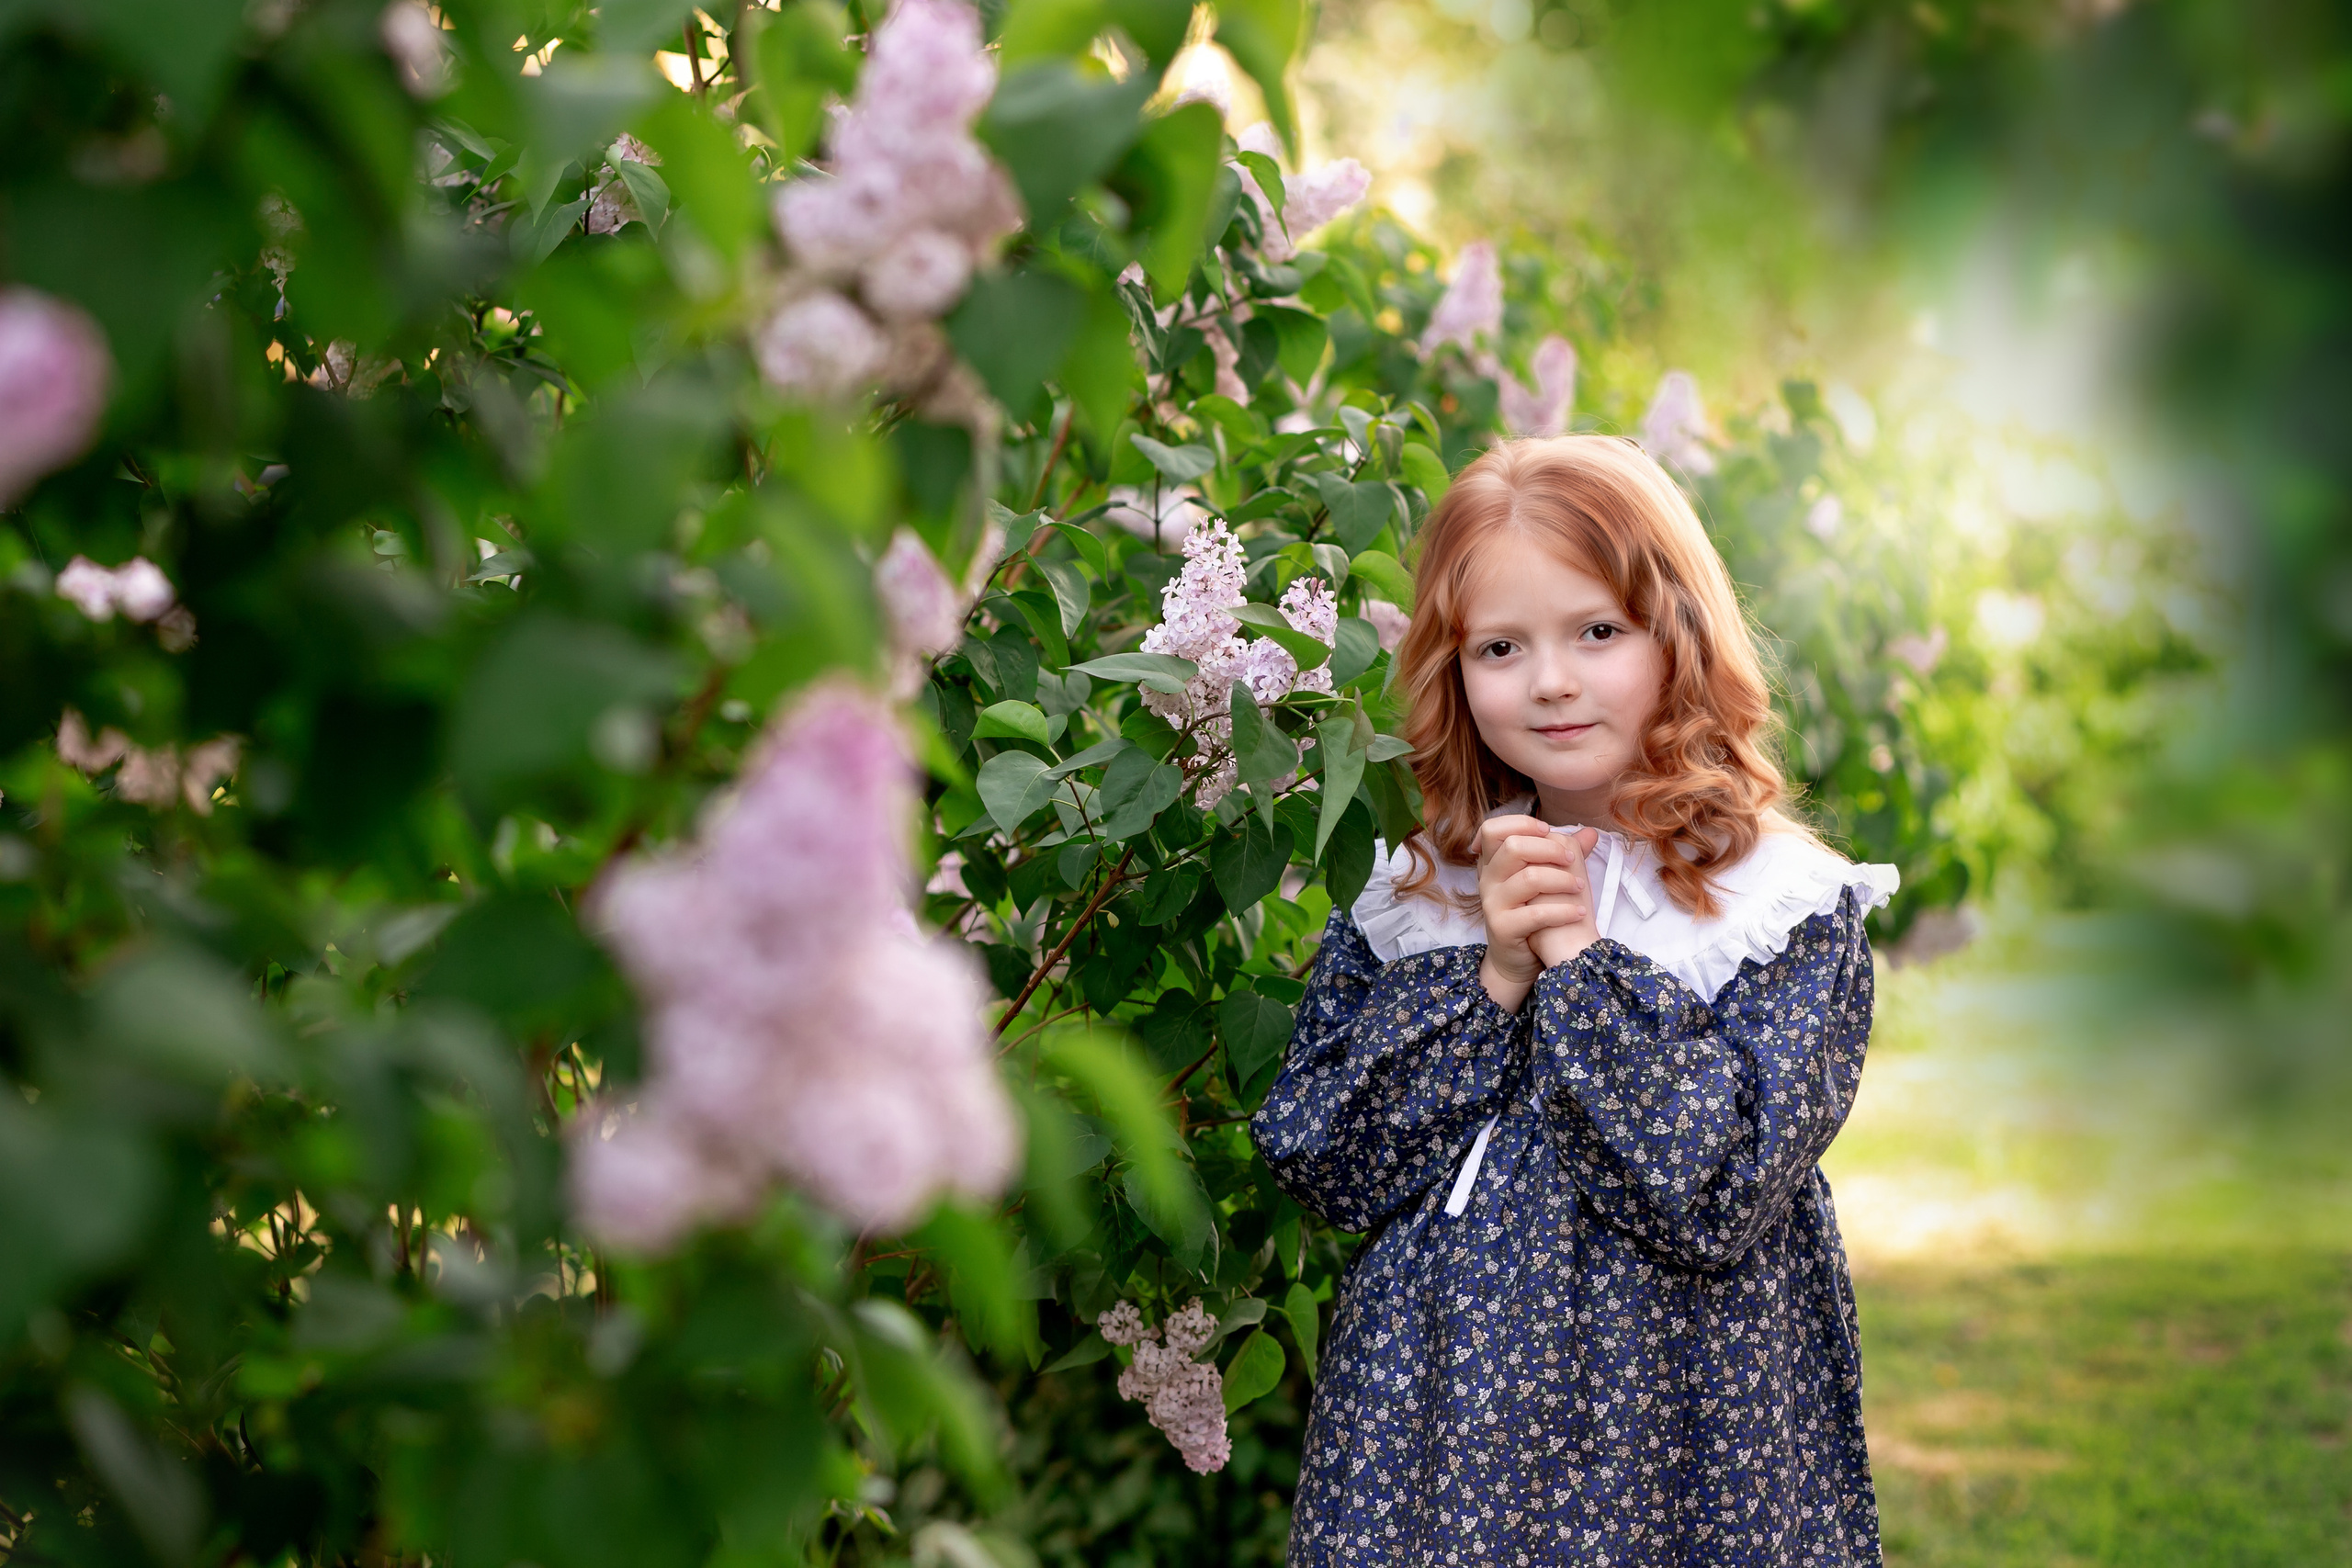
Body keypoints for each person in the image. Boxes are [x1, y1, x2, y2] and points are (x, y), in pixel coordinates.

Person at [1251, 435, 1897, 1567]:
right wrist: (1495, 978)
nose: (1550, 681)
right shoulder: (1417, 894)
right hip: (1434, 1452)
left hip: (1689, 1453)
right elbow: (1325, 1159)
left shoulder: (1777, 906)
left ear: (1677, 635)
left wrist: (1583, 966)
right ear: (1452, 670)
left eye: (1597, 632)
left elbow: (1716, 1192)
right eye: (1500, 647)